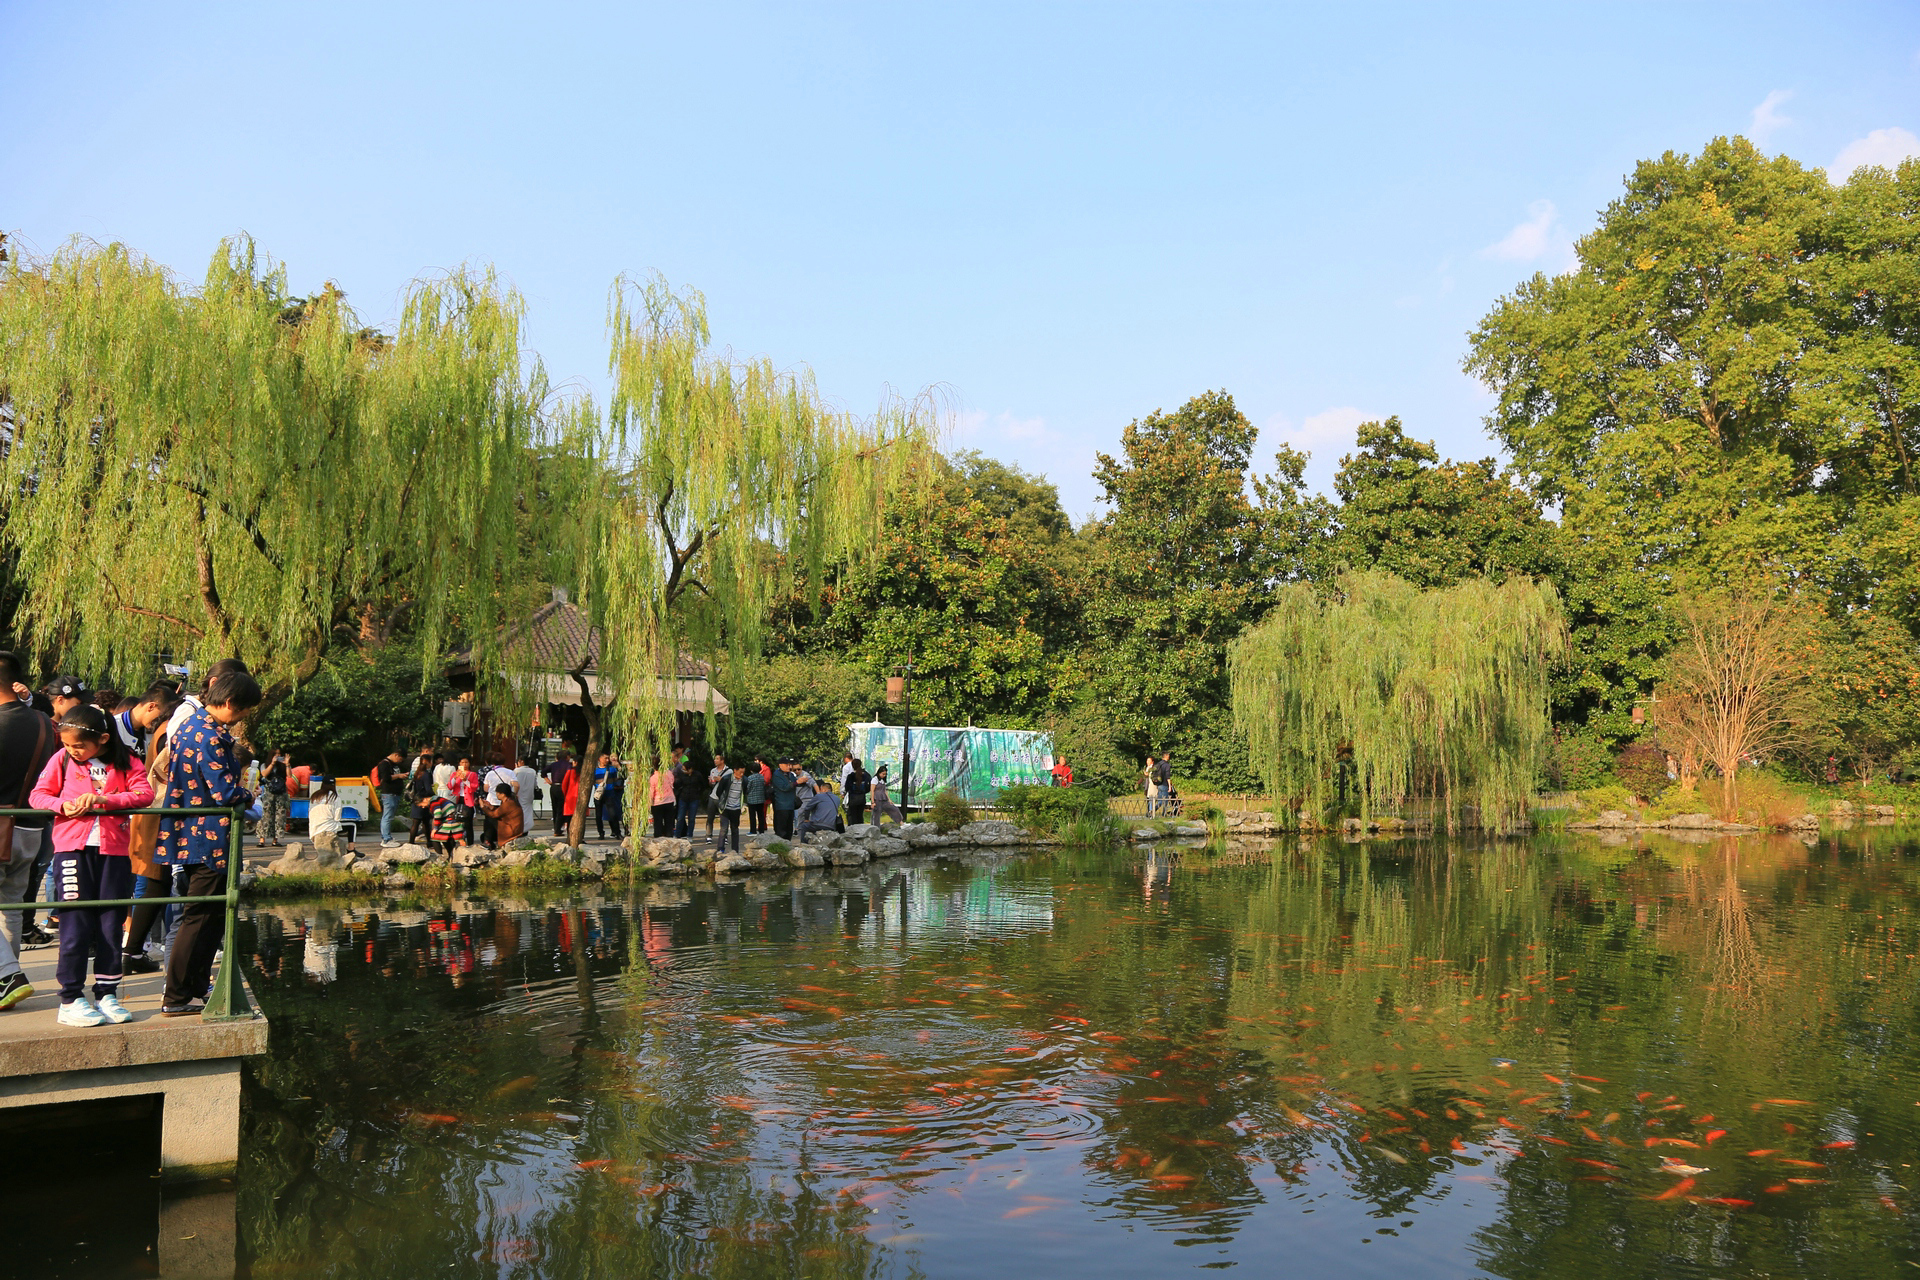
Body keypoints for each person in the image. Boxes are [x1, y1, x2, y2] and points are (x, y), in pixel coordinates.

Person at [29, 706, 153, 1026]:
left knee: (111, 923)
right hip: (72, 849)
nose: (73, 750)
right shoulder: (63, 760)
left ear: (103, 739)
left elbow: (144, 794)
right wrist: (62, 805)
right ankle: (70, 998)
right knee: (75, 923)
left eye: (79, 746)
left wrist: (105, 801)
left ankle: (107, 992)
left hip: (113, 852)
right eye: (68, 745)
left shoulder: (127, 761)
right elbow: (38, 796)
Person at [153, 669, 262, 1017]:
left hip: (190, 832)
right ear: (230, 703)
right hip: (208, 836)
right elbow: (224, 791)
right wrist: (248, 795)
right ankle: (177, 995)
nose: (244, 716)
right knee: (199, 916)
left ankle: (196, 987)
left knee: (206, 914)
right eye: (244, 710)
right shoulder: (210, 735)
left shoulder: (188, 724)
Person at [0, 651, 59, 959]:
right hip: (32, 826)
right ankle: (6, 981)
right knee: (11, 908)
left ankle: (7, 978)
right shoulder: (44, 723)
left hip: (1, 826)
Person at [307, 779, 354, 857]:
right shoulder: (335, 797)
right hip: (329, 829)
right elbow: (337, 818)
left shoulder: (314, 796)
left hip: (313, 830)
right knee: (352, 826)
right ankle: (351, 849)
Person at [371, 749, 407, 847]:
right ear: (396, 755)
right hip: (388, 793)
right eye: (400, 759)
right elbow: (386, 778)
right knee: (387, 816)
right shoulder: (384, 764)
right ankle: (386, 839)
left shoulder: (393, 764)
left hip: (395, 793)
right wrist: (399, 776)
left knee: (390, 816)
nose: (401, 761)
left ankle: (388, 837)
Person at [258, 749, 290, 846]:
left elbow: (289, 775)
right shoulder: (265, 764)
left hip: (281, 793)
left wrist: (287, 764)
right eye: (275, 754)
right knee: (266, 815)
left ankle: (275, 840)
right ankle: (262, 839)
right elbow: (264, 774)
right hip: (269, 792)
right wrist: (272, 764)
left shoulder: (283, 765)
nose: (277, 756)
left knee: (280, 815)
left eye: (279, 754)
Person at [480, 783, 524, 848]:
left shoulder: (509, 803)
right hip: (510, 827)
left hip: (511, 830)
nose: (497, 795)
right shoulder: (509, 801)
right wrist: (490, 806)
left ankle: (487, 843)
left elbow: (494, 815)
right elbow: (500, 812)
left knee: (489, 819)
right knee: (483, 836)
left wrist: (483, 807)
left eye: (498, 793)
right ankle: (488, 842)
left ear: (503, 794)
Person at [407, 748, 437, 844]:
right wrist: (434, 794)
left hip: (416, 799)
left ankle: (412, 842)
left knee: (416, 823)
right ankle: (429, 843)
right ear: (429, 762)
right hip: (424, 800)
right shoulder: (426, 774)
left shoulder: (417, 773)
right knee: (425, 823)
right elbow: (428, 789)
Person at [593, 753, 625, 841]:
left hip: (610, 794)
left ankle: (617, 832)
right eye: (605, 758)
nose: (607, 760)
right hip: (599, 795)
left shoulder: (612, 769)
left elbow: (616, 780)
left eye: (608, 758)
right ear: (599, 759)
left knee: (613, 814)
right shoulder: (594, 770)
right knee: (598, 815)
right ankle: (601, 833)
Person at [713, 763, 744, 853]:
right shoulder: (726, 779)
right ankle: (720, 849)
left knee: (735, 829)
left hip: (736, 808)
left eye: (743, 773)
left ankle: (735, 850)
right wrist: (722, 803)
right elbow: (719, 792)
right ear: (735, 770)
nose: (741, 775)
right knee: (724, 829)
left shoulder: (744, 780)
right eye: (740, 772)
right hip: (725, 808)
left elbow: (745, 791)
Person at [450, 757, 480, 846]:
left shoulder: (472, 774)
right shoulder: (455, 774)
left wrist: (465, 780)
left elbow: (474, 787)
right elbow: (450, 786)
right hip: (458, 799)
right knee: (455, 822)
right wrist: (455, 777)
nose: (464, 764)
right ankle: (457, 841)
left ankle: (470, 843)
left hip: (468, 800)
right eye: (462, 762)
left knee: (468, 823)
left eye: (466, 762)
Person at [544, 748, 574, 837]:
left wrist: (549, 781)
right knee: (561, 808)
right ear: (567, 757)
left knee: (555, 807)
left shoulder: (554, 764)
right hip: (563, 787)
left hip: (554, 787)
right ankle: (558, 829)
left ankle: (556, 827)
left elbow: (543, 772)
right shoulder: (569, 765)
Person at [671, 756, 701, 839]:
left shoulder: (697, 775)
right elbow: (677, 785)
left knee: (691, 818)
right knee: (680, 817)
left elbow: (702, 785)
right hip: (683, 798)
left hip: (694, 798)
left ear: (690, 769)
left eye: (685, 769)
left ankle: (689, 835)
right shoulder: (681, 775)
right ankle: (677, 834)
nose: (683, 770)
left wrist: (698, 793)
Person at [770, 759, 799, 839]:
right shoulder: (777, 775)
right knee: (781, 830)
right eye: (787, 765)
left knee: (789, 829)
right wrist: (796, 783)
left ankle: (788, 844)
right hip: (781, 805)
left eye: (790, 765)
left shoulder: (791, 775)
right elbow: (784, 787)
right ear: (780, 765)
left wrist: (801, 781)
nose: (789, 767)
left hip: (790, 805)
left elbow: (795, 782)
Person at [648, 758, 676, 837]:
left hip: (657, 802)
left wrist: (649, 803)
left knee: (657, 823)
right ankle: (669, 837)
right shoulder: (669, 773)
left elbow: (651, 792)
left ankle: (658, 839)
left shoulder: (653, 778)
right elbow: (672, 783)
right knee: (669, 822)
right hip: (669, 800)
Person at [704, 753, 728, 843]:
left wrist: (721, 779)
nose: (715, 760)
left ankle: (724, 836)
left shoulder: (728, 771)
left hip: (722, 797)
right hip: (713, 796)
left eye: (717, 759)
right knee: (710, 817)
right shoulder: (713, 770)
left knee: (724, 817)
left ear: (722, 761)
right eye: (715, 759)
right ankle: (708, 836)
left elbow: (729, 783)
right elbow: (712, 784)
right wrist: (711, 781)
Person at [513, 754, 540, 827]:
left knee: (518, 811)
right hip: (529, 794)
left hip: (518, 793)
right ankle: (526, 827)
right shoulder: (532, 771)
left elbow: (513, 782)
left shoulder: (516, 771)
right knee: (528, 811)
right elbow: (535, 784)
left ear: (521, 761)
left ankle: (519, 827)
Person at [742, 759, 768, 834]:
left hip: (752, 799)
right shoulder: (762, 777)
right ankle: (761, 830)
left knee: (752, 816)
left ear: (751, 770)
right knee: (761, 816)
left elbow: (748, 788)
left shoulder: (750, 778)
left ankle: (753, 830)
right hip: (761, 799)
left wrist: (746, 793)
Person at [844, 758, 871, 827]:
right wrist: (863, 792)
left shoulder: (850, 776)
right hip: (862, 798)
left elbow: (847, 787)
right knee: (860, 816)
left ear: (852, 766)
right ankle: (861, 831)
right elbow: (869, 786)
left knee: (853, 816)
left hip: (853, 798)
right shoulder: (866, 775)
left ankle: (853, 832)